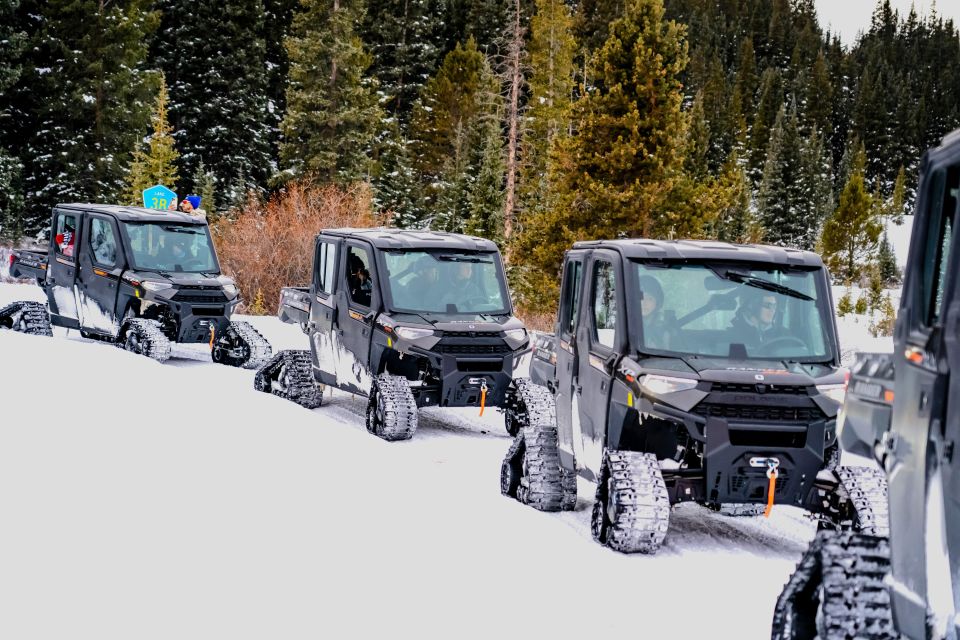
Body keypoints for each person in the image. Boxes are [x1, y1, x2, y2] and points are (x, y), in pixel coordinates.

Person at [638, 275, 667, 348]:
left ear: (657, 302)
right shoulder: (624, 327)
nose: (644, 303)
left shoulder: (664, 330)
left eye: (650, 298)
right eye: (640, 297)